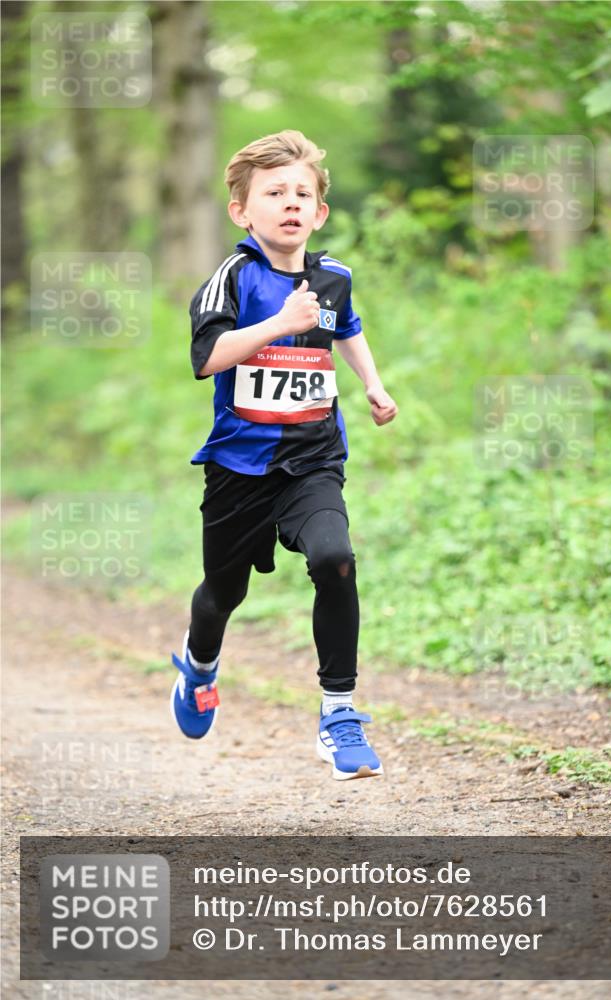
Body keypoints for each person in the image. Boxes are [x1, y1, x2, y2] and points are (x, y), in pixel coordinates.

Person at [170, 129, 398, 780]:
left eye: (303, 193)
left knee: (336, 559)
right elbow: (206, 358)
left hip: (313, 458)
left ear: (320, 212)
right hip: (239, 468)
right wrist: (278, 324)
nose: (290, 203)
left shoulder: (333, 280)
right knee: (222, 593)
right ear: (242, 211)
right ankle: (199, 665)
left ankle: (339, 714)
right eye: (274, 193)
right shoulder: (232, 280)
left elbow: (346, 330)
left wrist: (373, 385)